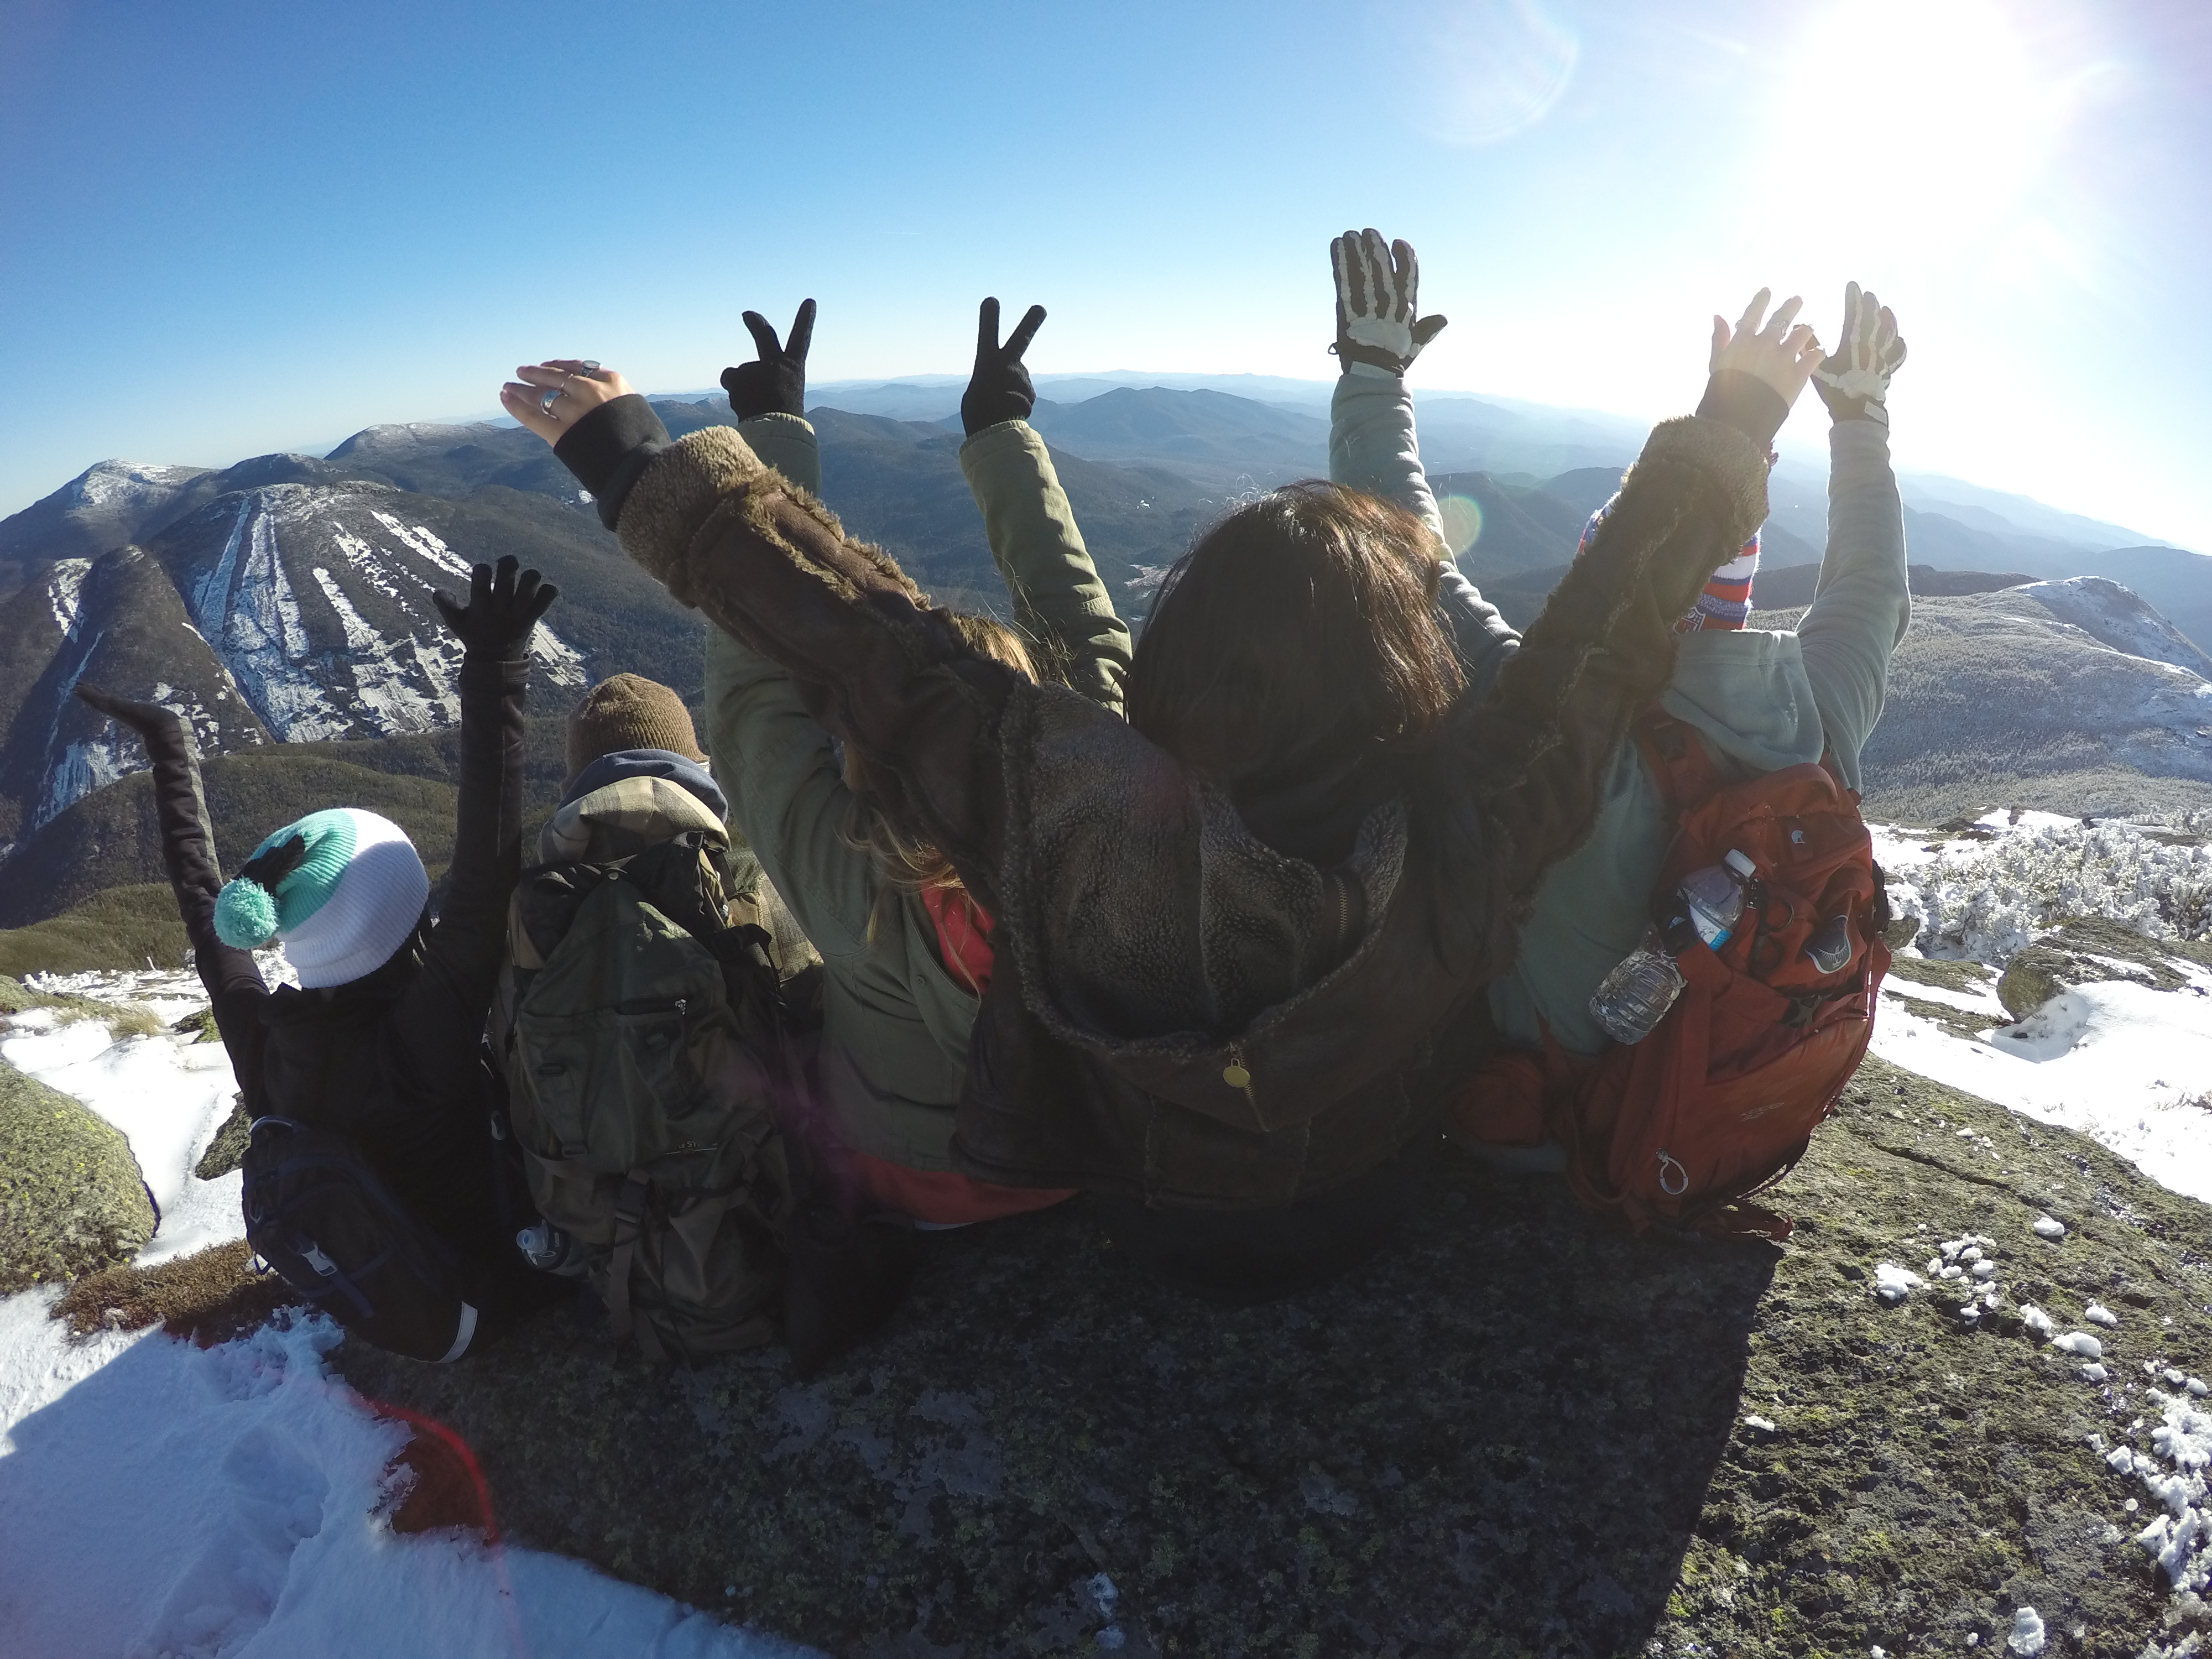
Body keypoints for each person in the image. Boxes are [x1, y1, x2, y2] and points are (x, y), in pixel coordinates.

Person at [494, 263, 1776, 1295]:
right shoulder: (1470, 819)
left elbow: (863, 636)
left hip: (1153, 1221)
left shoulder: (1073, 813)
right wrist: (1730, 431)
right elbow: (1593, 649)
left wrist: (633, 460)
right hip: (1368, 1198)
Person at [1322, 243, 1908, 1133]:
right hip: (1705, 1127)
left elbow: (1394, 540)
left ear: (1607, 577)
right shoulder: (1813, 723)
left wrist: (1374, 373)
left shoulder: (1541, 711)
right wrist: (1861, 421)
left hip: (1527, 1121)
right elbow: (1871, 592)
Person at [582, 298, 1130, 1229]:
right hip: (1100, 1142)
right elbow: (1078, 619)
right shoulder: (1106, 788)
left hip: (921, 1180)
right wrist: (1001, 435)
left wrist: (770, 443)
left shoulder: (859, 879)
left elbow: (756, 682)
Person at [74, 555, 567, 1359]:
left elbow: (209, 918)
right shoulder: (425, 1036)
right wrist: (496, 665)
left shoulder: (273, 1041)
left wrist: (170, 750)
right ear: (406, 914)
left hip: (392, 1283)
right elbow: (486, 874)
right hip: (501, 1284)